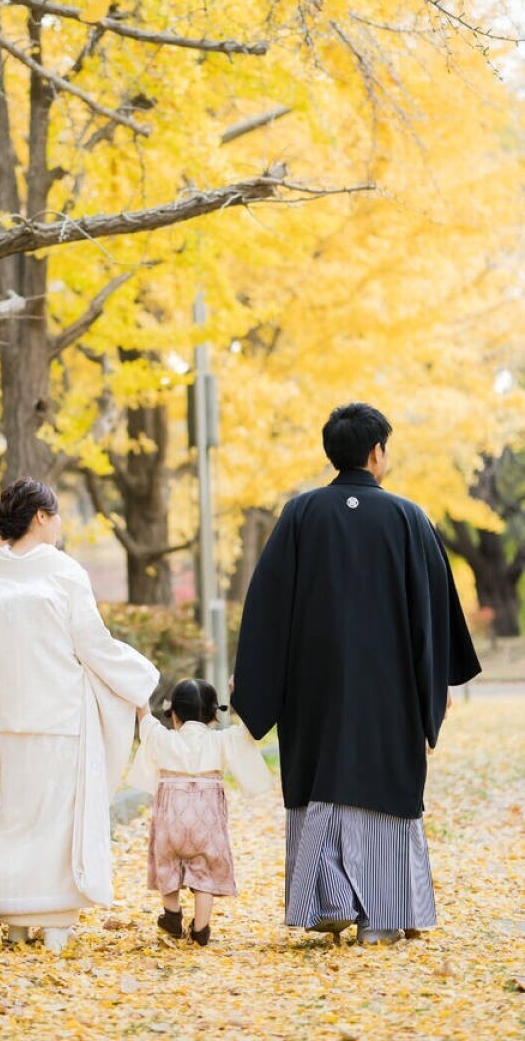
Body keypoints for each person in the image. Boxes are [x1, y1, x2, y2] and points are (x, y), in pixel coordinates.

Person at [231, 403, 481, 946]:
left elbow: (266, 608)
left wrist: (254, 687)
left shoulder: (299, 515)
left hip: (313, 687)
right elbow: (431, 612)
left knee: (323, 780)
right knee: (385, 784)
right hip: (388, 689)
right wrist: (433, 683)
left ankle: (327, 898)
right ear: (376, 453)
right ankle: (387, 915)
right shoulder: (407, 518)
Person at [0, 478, 159, 953]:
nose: (61, 524)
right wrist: (140, 679)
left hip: (7, 714)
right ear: (41, 517)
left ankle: (16, 916)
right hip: (58, 710)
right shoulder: (63, 571)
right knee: (56, 815)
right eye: (58, 514)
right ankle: (55, 920)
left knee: (18, 813)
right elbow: (91, 643)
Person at [128, 678, 273, 946]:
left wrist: (141, 696)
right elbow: (246, 731)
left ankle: (171, 915)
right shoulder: (221, 741)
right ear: (213, 715)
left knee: (168, 864)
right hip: (207, 822)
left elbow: (145, 720)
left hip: (170, 820)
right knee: (204, 870)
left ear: (173, 715)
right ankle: (201, 929)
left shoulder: (163, 739)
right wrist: (238, 695)